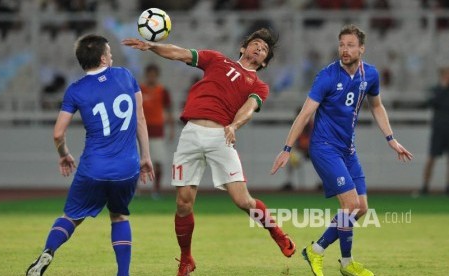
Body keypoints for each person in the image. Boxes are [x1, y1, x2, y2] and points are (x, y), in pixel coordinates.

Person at [122, 28, 296, 276]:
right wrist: (152, 47)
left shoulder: (258, 85)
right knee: (183, 204)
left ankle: (275, 232)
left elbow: (249, 107)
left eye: (264, 50)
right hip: (191, 133)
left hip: (221, 136)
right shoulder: (215, 60)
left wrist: (234, 125)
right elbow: (180, 53)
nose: (259, 48)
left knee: (243, 201)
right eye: (256, 44)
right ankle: (186, 259)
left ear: (264, 61)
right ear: (243, 48)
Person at [271, 24, 413, 276]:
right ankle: (318, 252)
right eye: (341, 45)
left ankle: (342, 262)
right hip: (324, 147)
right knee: (350, 204)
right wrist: (286, 148)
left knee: (361, 208)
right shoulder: (326, 76)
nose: (344, 50)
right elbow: (305, 114)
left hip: (348, 149)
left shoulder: (370, 75)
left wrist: (391, 139)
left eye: (350, 45)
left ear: (361, 49)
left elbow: (377, 107)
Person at [26, 34, 154, 276]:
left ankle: (48, 251)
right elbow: (140, 118)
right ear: (104, 58)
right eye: (110, 53)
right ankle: (123, 274)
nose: (113, 56)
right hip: (127, 168)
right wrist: (145, 156)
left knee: (72, 216)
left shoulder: (76, 90)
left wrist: (64, 154)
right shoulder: (126, 76)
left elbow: (57, 133)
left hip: (93, 168)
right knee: (119, 216)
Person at [139, 63, 175, 199]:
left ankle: (156, 189)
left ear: (157, 76)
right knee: (136, 161)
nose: (151, 78)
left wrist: (171, 129)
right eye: (149, 75)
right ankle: (135, 189)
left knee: (158, 162)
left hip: (157, 131)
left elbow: (169, 111)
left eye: (154, 75)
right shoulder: (139, 89)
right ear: (146, 75)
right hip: (141, 131)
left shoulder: (163, 91)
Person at [420, 67, 449, 195]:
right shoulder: (436, 90)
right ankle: (425, 186)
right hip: (438, 129)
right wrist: (443, 89)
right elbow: (429, 102)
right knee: (431, 158)